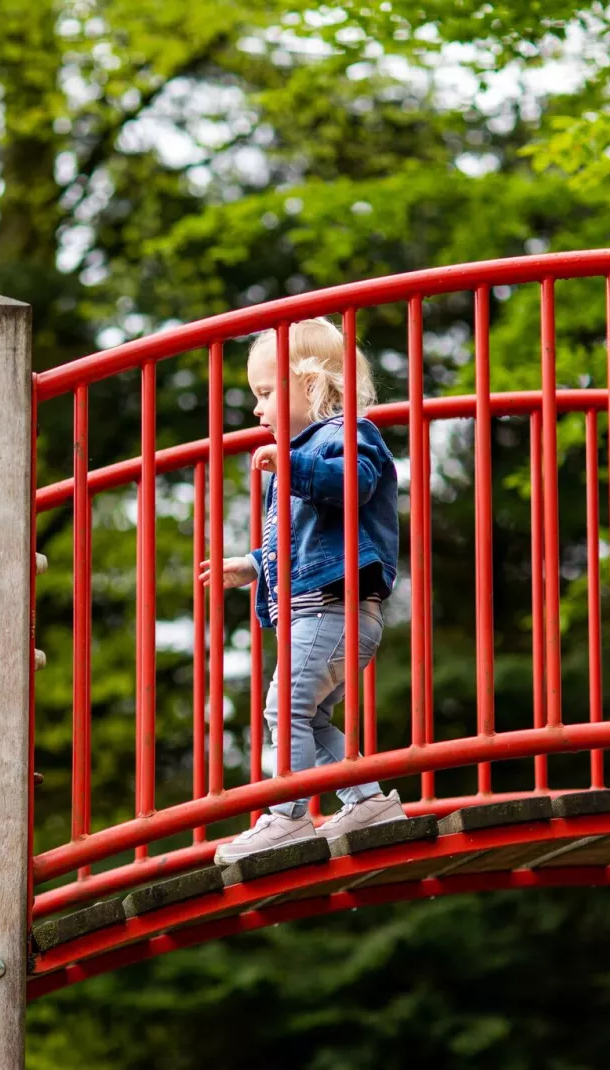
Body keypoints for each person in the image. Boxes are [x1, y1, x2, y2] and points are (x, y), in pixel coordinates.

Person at [200, 318, 406, 865]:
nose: (257, 409)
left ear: (311, 386)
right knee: (309, 718)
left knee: (283, 708)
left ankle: (288, 816)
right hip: (323, 614)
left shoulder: (348, 435)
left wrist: (292, 465)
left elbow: (355, 485)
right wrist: (251, 565)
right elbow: (297, 547)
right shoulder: (300, 456)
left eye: (266, 393)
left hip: (332, 611)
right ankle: (368, 801)